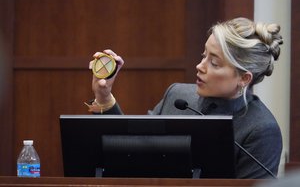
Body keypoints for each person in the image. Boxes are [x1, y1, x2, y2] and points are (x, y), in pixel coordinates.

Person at [86, 17, 283, 179]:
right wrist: (104, 97)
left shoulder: (261, 130)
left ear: (243, 78)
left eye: (214, 62)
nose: (200, 66)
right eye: (203, 56)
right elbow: (130, 152)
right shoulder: (177, 96)